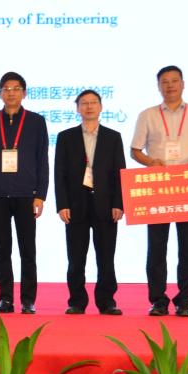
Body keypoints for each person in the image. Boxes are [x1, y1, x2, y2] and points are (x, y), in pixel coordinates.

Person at [131, 65, 188, 317]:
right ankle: (158, 300)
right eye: (165, 82)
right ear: (158, 86)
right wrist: (150, 162)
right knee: (156, 247)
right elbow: (135, 150)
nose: (170, 85)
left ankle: (185, 301)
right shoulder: (147, 115)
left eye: (174, 81)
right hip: (158, 187)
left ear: (183, 84)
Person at [0, 72, 49, 315]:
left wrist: (41, 194)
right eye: (6, 89)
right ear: (0, 93)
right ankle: (5, 299)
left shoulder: (36, 121)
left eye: (16, 88)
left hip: (27, 194)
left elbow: (42, 160)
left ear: (24, 93)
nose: (11, 93)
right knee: (2, 250)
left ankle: (28, 300)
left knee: (28, 250)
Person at [54, 89, 125, 315]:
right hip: (75, 205)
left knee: (106, 257)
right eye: (84, 103)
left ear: (101, 107)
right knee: (76, 258)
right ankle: (76, 301)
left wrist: (119, 203)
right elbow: (59, 173)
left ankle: (107, 301)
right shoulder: (66, 137)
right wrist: (62, 204)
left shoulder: (113, 137)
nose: (89, 106)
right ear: (77, 108)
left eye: (93, 102)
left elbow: (119, 173)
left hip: (106, 205)